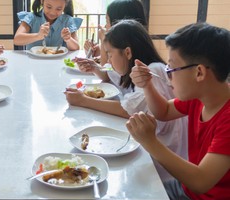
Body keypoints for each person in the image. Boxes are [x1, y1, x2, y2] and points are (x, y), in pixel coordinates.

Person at [123, 22, 230, 200]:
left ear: (199, 73)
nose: (167, 74)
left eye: (171, 68)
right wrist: (147, 85)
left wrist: (150, 142)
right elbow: (163, 111)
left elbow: (201, 181)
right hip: (188, 191)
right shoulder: (199, 96)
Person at [65, 19, 188, 181]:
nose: (107, 60)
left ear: (128, 52)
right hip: (152, 152)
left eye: (109, 54)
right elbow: (115, 76)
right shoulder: (139, 69)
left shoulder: (152, 71)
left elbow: (128, 110)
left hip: (162, 168)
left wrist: (83, 100)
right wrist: (95, 69)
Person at [13, 0, 83, 50]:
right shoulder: (31, 17)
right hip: (33, 61)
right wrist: (38, 36)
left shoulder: (68, 21)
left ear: (65, 5)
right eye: (49, 7)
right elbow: (17, 40)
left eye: (59, 9)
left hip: (58, 61)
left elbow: (76, 47)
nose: (53, 12)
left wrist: (69, 39)